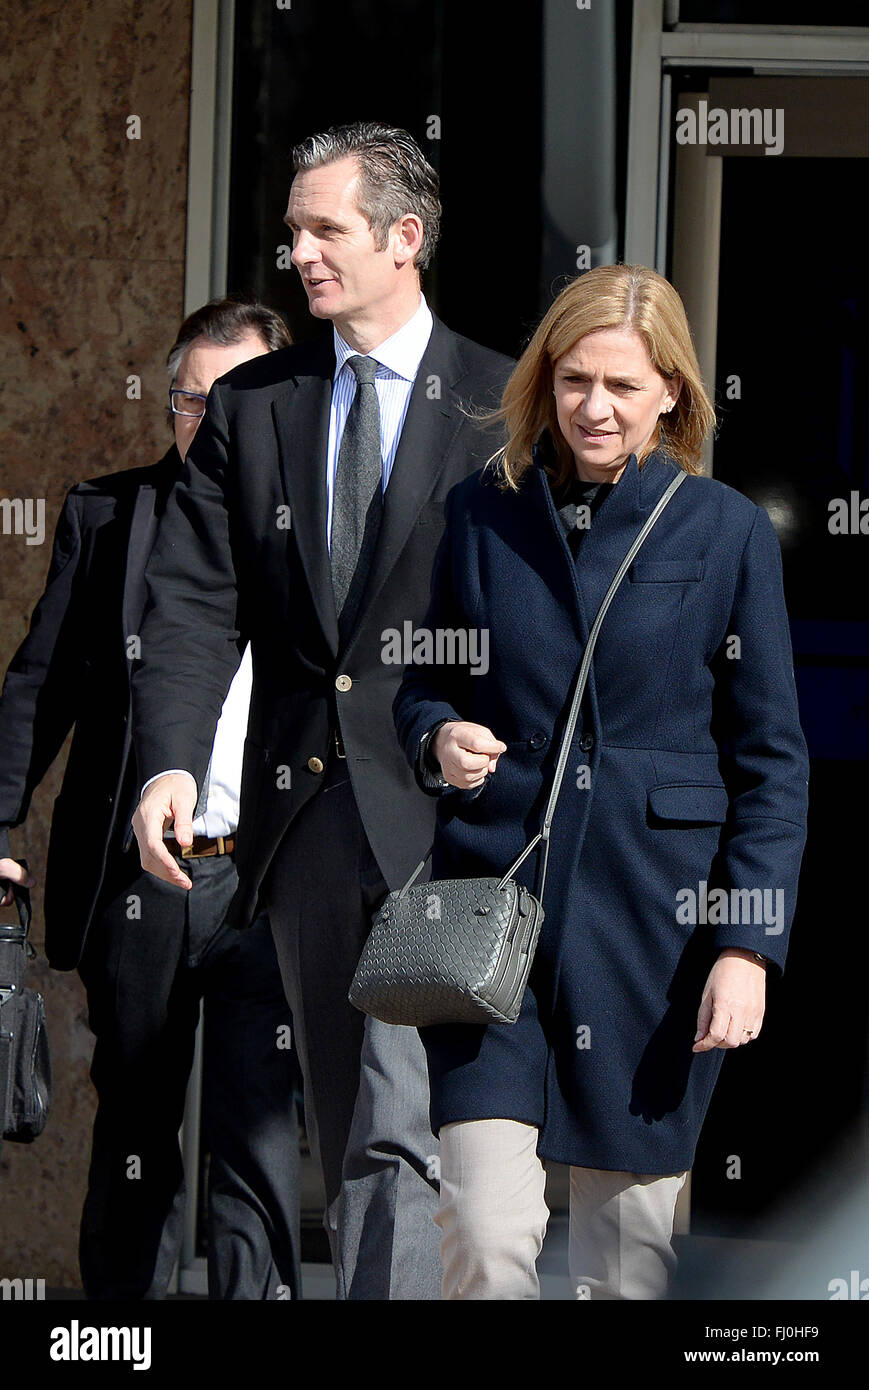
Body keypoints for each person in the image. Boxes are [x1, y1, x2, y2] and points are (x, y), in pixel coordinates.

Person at [129, 122, 513, 1300]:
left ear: (404, 239)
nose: (297, 251)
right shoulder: (254, 407)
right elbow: (191, 602)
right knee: (350, 1121)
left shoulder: (499, 402)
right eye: (292, 229)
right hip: (304, 827)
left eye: (323, 228)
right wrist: (169, 764)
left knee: (397, 1129)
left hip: (451, 816)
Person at [393, 263, 810, 1300]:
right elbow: (420, 687)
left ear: (670, 390)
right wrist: (438, 736)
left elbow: (770, 762)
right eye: (574, 379)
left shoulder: (723, 532)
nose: (593, 406)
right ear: (544, 380)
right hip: (492, 928)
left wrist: (746, 947)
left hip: (651, 944)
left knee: (624, 1266)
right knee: (486, 1239)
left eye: (622, 385)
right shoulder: (481, 515)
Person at [0, 296, 303, 1301]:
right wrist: (0, 822)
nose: (208, 419)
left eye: (236, 396)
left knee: (256, 1133)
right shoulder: (107, 513)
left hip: (270, 879)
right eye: (188, 399)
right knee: (133, 1128)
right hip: (149, 879)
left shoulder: (321, 529)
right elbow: (36, 686)